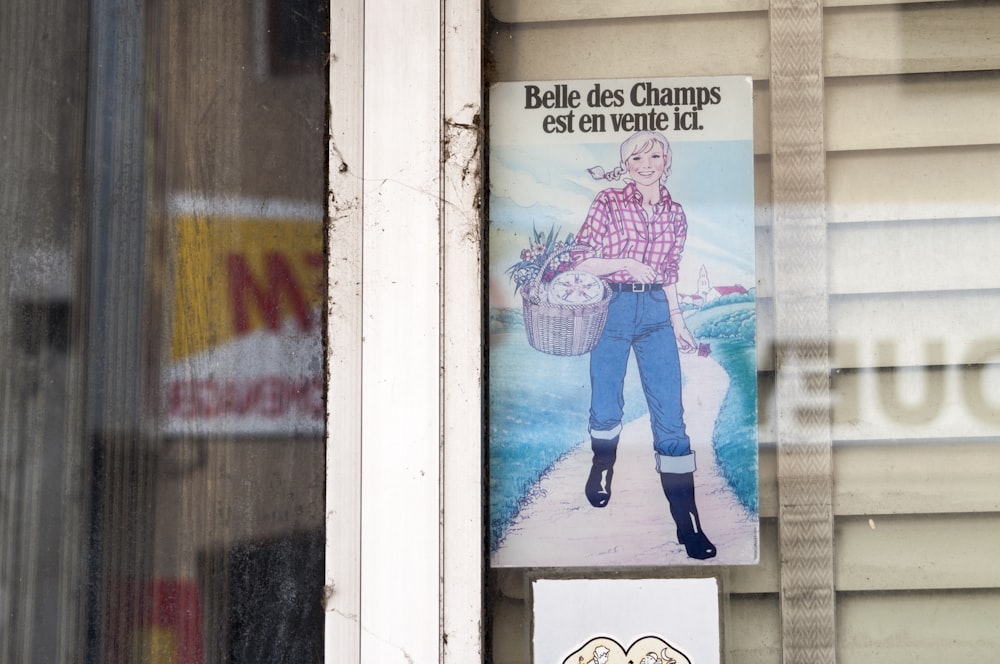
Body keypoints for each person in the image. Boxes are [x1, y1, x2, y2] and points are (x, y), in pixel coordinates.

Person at [572, 130, 716, 560]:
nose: (647, 163)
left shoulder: (675, 214)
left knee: (671, 416)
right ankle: (603, 463)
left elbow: (669, 273)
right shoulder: (609, 203)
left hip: (655, 310)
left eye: (655, 155)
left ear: (665, 161)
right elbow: (582, 260)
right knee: (606, 401)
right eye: (637, 158)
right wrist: (623, 262)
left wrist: (679, 323)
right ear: (628, 166)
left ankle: (686, 522)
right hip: (611, 307)